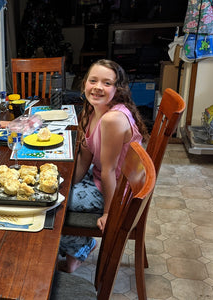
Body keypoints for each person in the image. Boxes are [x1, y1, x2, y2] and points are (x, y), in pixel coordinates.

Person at [58, 59, 148, 273]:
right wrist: (69, 182)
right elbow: (86, 157)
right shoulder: (92, 110)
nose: (98, 87)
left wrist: (110, 213)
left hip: (117, 191)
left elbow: (108, 171)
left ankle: (77, 253)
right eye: (93, 80)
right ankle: (78, 248)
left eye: (107, 83)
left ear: (117, 90)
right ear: (84, 84)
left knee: (56, 205)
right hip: (101, 178)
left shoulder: (113, 119)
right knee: (57, 187)